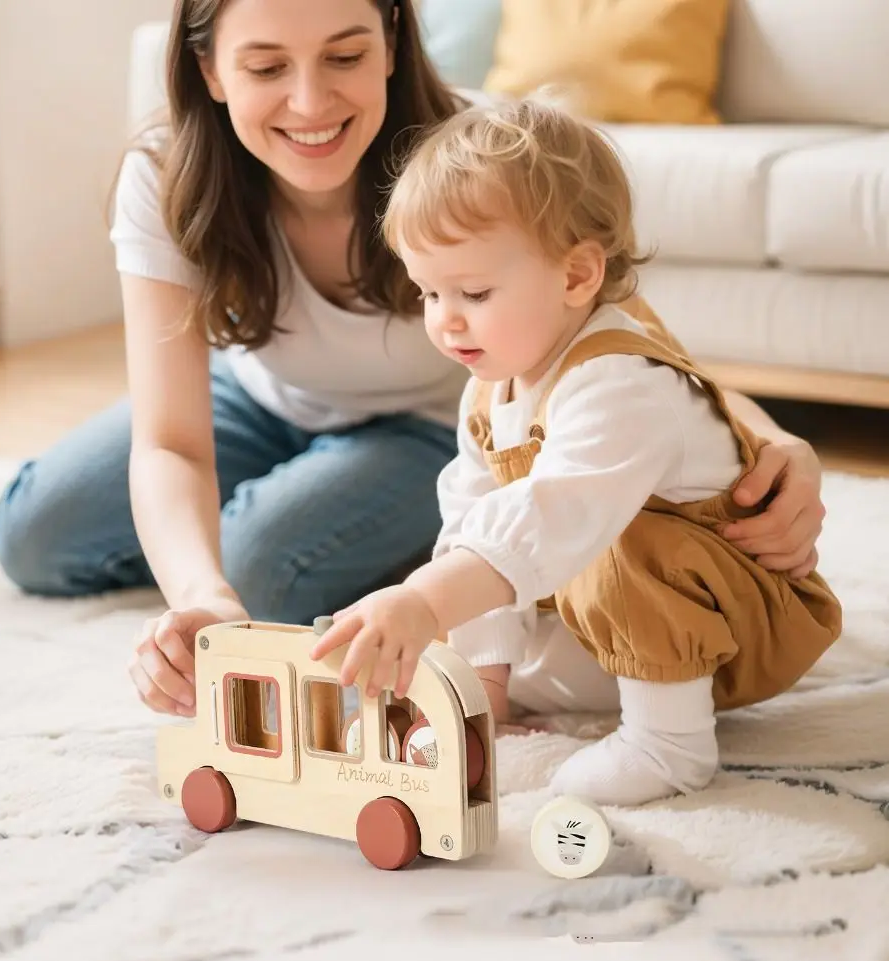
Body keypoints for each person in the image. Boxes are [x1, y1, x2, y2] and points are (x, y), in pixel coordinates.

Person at [0, 0, 827, 724]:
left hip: (425, 430)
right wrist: (200, 598)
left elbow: (622, 339)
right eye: (267, 67)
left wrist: (773, 442)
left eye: (345, 57)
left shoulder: (474, 152)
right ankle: (361, 536)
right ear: (209, 70)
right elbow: (171, 441)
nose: (310, 102)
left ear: (393, 42)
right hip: (259, 398)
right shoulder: (166, 173)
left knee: (262, 565)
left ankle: (447, 551)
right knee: (35, 535)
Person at [310, 95, 842, 807]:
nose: (446, 321)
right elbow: (475, 525)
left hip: (740, 619)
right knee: (486, 587)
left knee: (611, 541)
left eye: (473, 291)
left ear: (576, 276)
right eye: (429, 293)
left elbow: (551, 517)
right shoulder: (491, 387)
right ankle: (495, 695)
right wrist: (485, 693)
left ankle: (670, 743)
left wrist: (422, 602)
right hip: (626, 610)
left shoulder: (619, 380)